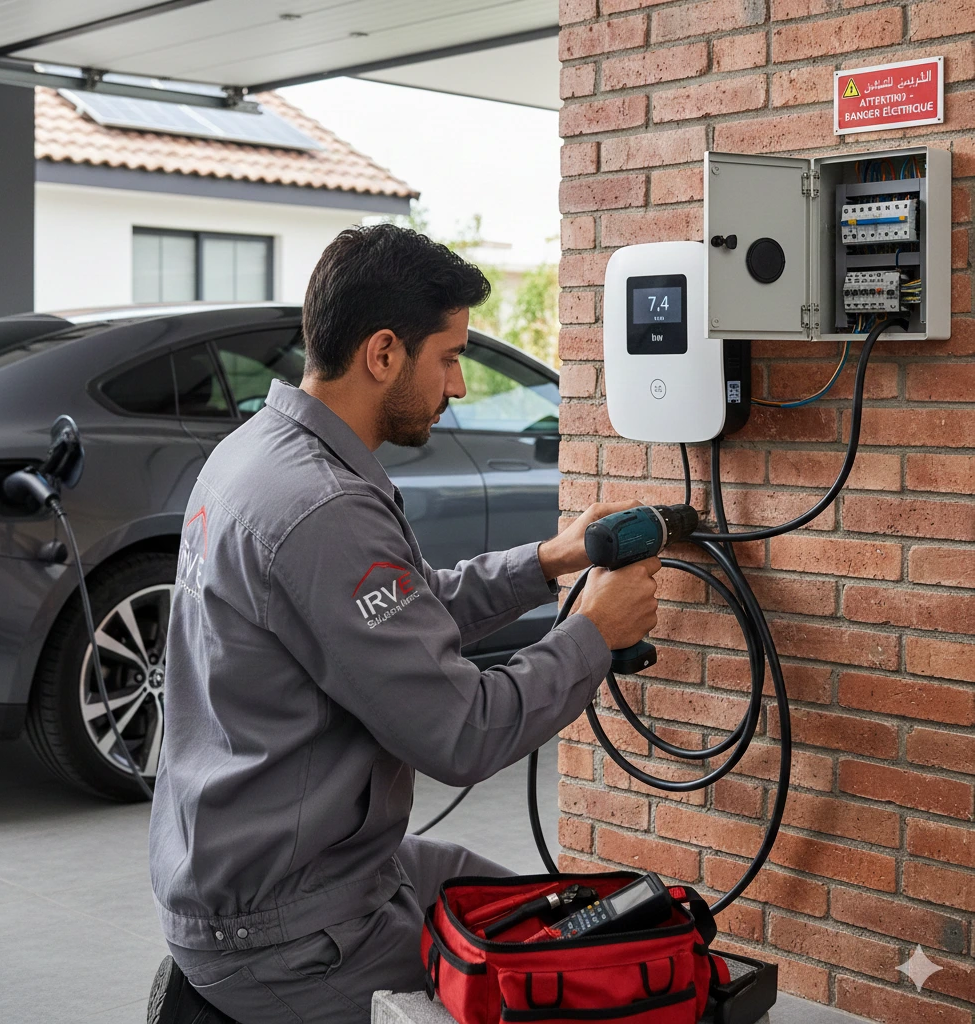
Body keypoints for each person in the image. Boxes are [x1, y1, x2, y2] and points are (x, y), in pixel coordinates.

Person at [147, 224, 661, 1024]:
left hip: (290, 869)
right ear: (383, 353)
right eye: (449, 357)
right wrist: (592, 630)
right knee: (558, 981)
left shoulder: (261, 452)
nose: (459, 385)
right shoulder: (321, 508)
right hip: (287, 926)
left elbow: (401, 617)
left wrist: (547, 562)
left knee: (547, 909)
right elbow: (462, 733)